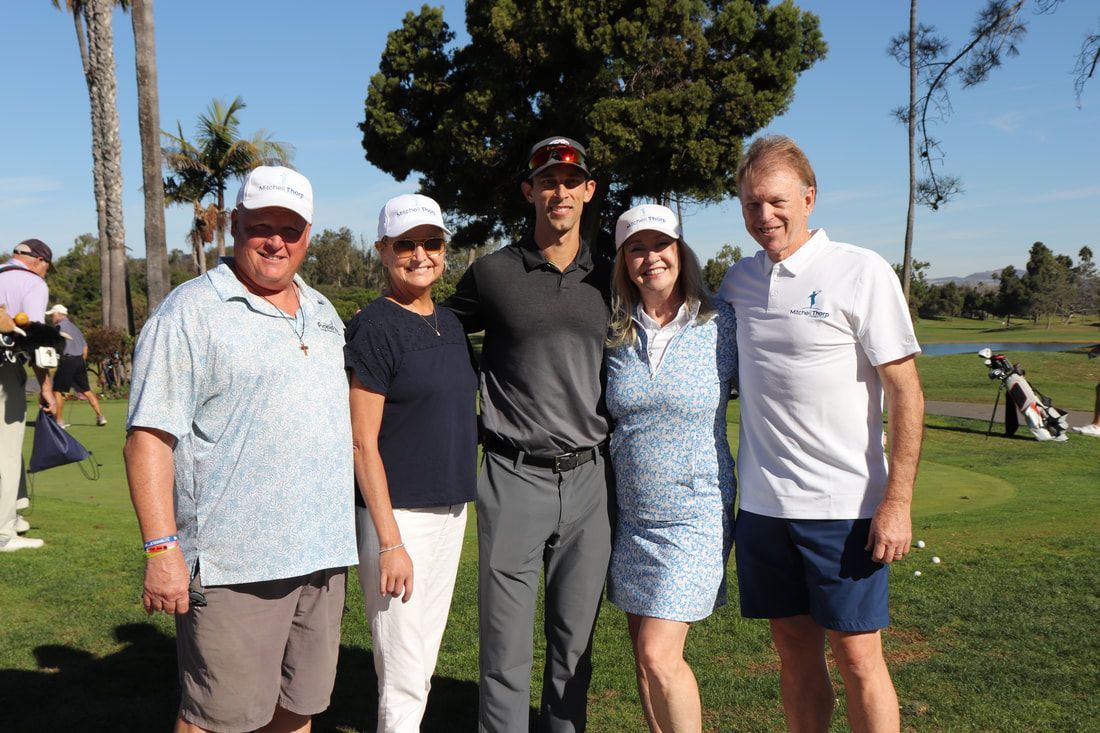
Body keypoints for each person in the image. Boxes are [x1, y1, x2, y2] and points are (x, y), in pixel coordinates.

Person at [123, 166, 358, 733]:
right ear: (234, 225)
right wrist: (162, 550)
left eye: (291, 229)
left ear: (308, 235)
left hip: (322, 557)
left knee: (298, 710)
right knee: (216, 720)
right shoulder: (190, 313)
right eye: (261, 226)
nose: (276, 241)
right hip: (236, 565)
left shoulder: (323, 312)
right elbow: (148, 438)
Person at [719, 135, 924, 732]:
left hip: (846, 507)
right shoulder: (739, 282)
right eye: (752, 204)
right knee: (791, 649)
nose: (765, 216)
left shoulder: (860, 271)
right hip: (762, 508)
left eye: (777, 201)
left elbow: (906, 391)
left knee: (859, 657)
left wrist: (899, 500)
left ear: (809, 198)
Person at [444, 136, 614, 732]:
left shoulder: (613, 278)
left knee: (575, 647)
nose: (559, 191)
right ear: (530, 191)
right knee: (504, 646)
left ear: (589, 191)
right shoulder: (493, 273)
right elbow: (437, 333)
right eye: (547, 180)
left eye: (571, 180)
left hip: (591, 479)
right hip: (513, 475)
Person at [345, 194, 478, 732]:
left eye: (431, 243)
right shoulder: (374, 327)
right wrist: (390, 540)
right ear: (382, 250)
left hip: (450, 511)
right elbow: (360, 443)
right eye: (406, 244)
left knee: (421, 657)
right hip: (398, 520)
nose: (420, 254)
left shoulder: (448, 321)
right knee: (402, 666)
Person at [604, 205, 737, 732]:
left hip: (696, 515)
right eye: (636, 248)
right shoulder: (614, 329)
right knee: (643, 658)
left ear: (682, 251)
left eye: (661, 245)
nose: (650, 257)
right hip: (632, 518)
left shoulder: (722, 322)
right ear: (623, 261)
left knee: (661, 655)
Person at [0, 239, 56, 552]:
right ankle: (4, 533)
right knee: (6, 451)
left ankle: (16, 512)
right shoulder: (32, 283)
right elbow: (36, 341)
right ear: (39, 261)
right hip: (4, 368)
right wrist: (45, 387)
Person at [46, 304, 107, 428]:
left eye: (53, 314)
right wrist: (80, 361)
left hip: (67, 361)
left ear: (58, 314)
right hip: (79, 361)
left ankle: (59, 421)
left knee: (57, 390)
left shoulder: (59, 327)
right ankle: (100, 416)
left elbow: (55, 344)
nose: (52, 317)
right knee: (86, 390)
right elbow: (85, 347)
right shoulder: (75, 328)